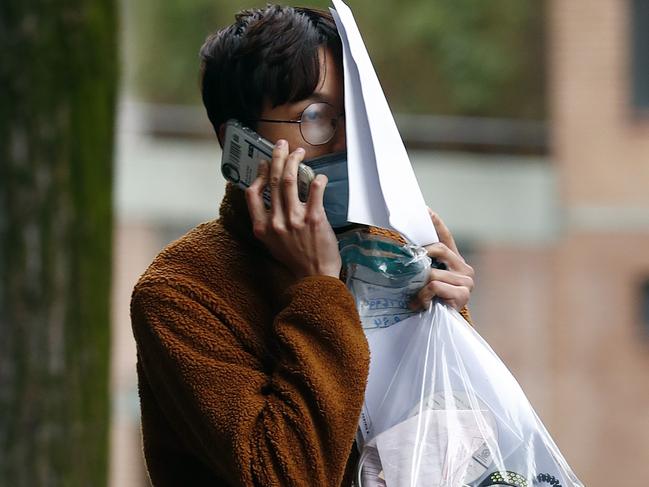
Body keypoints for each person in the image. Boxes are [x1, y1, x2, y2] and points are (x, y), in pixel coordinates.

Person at [130, 5, 475, 486]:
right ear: (239, 143)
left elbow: (437, 446)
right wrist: (317, 289)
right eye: (315, 117)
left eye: (352, 118)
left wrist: (445, 320)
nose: (344, 144)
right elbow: (283, 475)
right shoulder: (179, 293)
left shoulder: (384, 250)